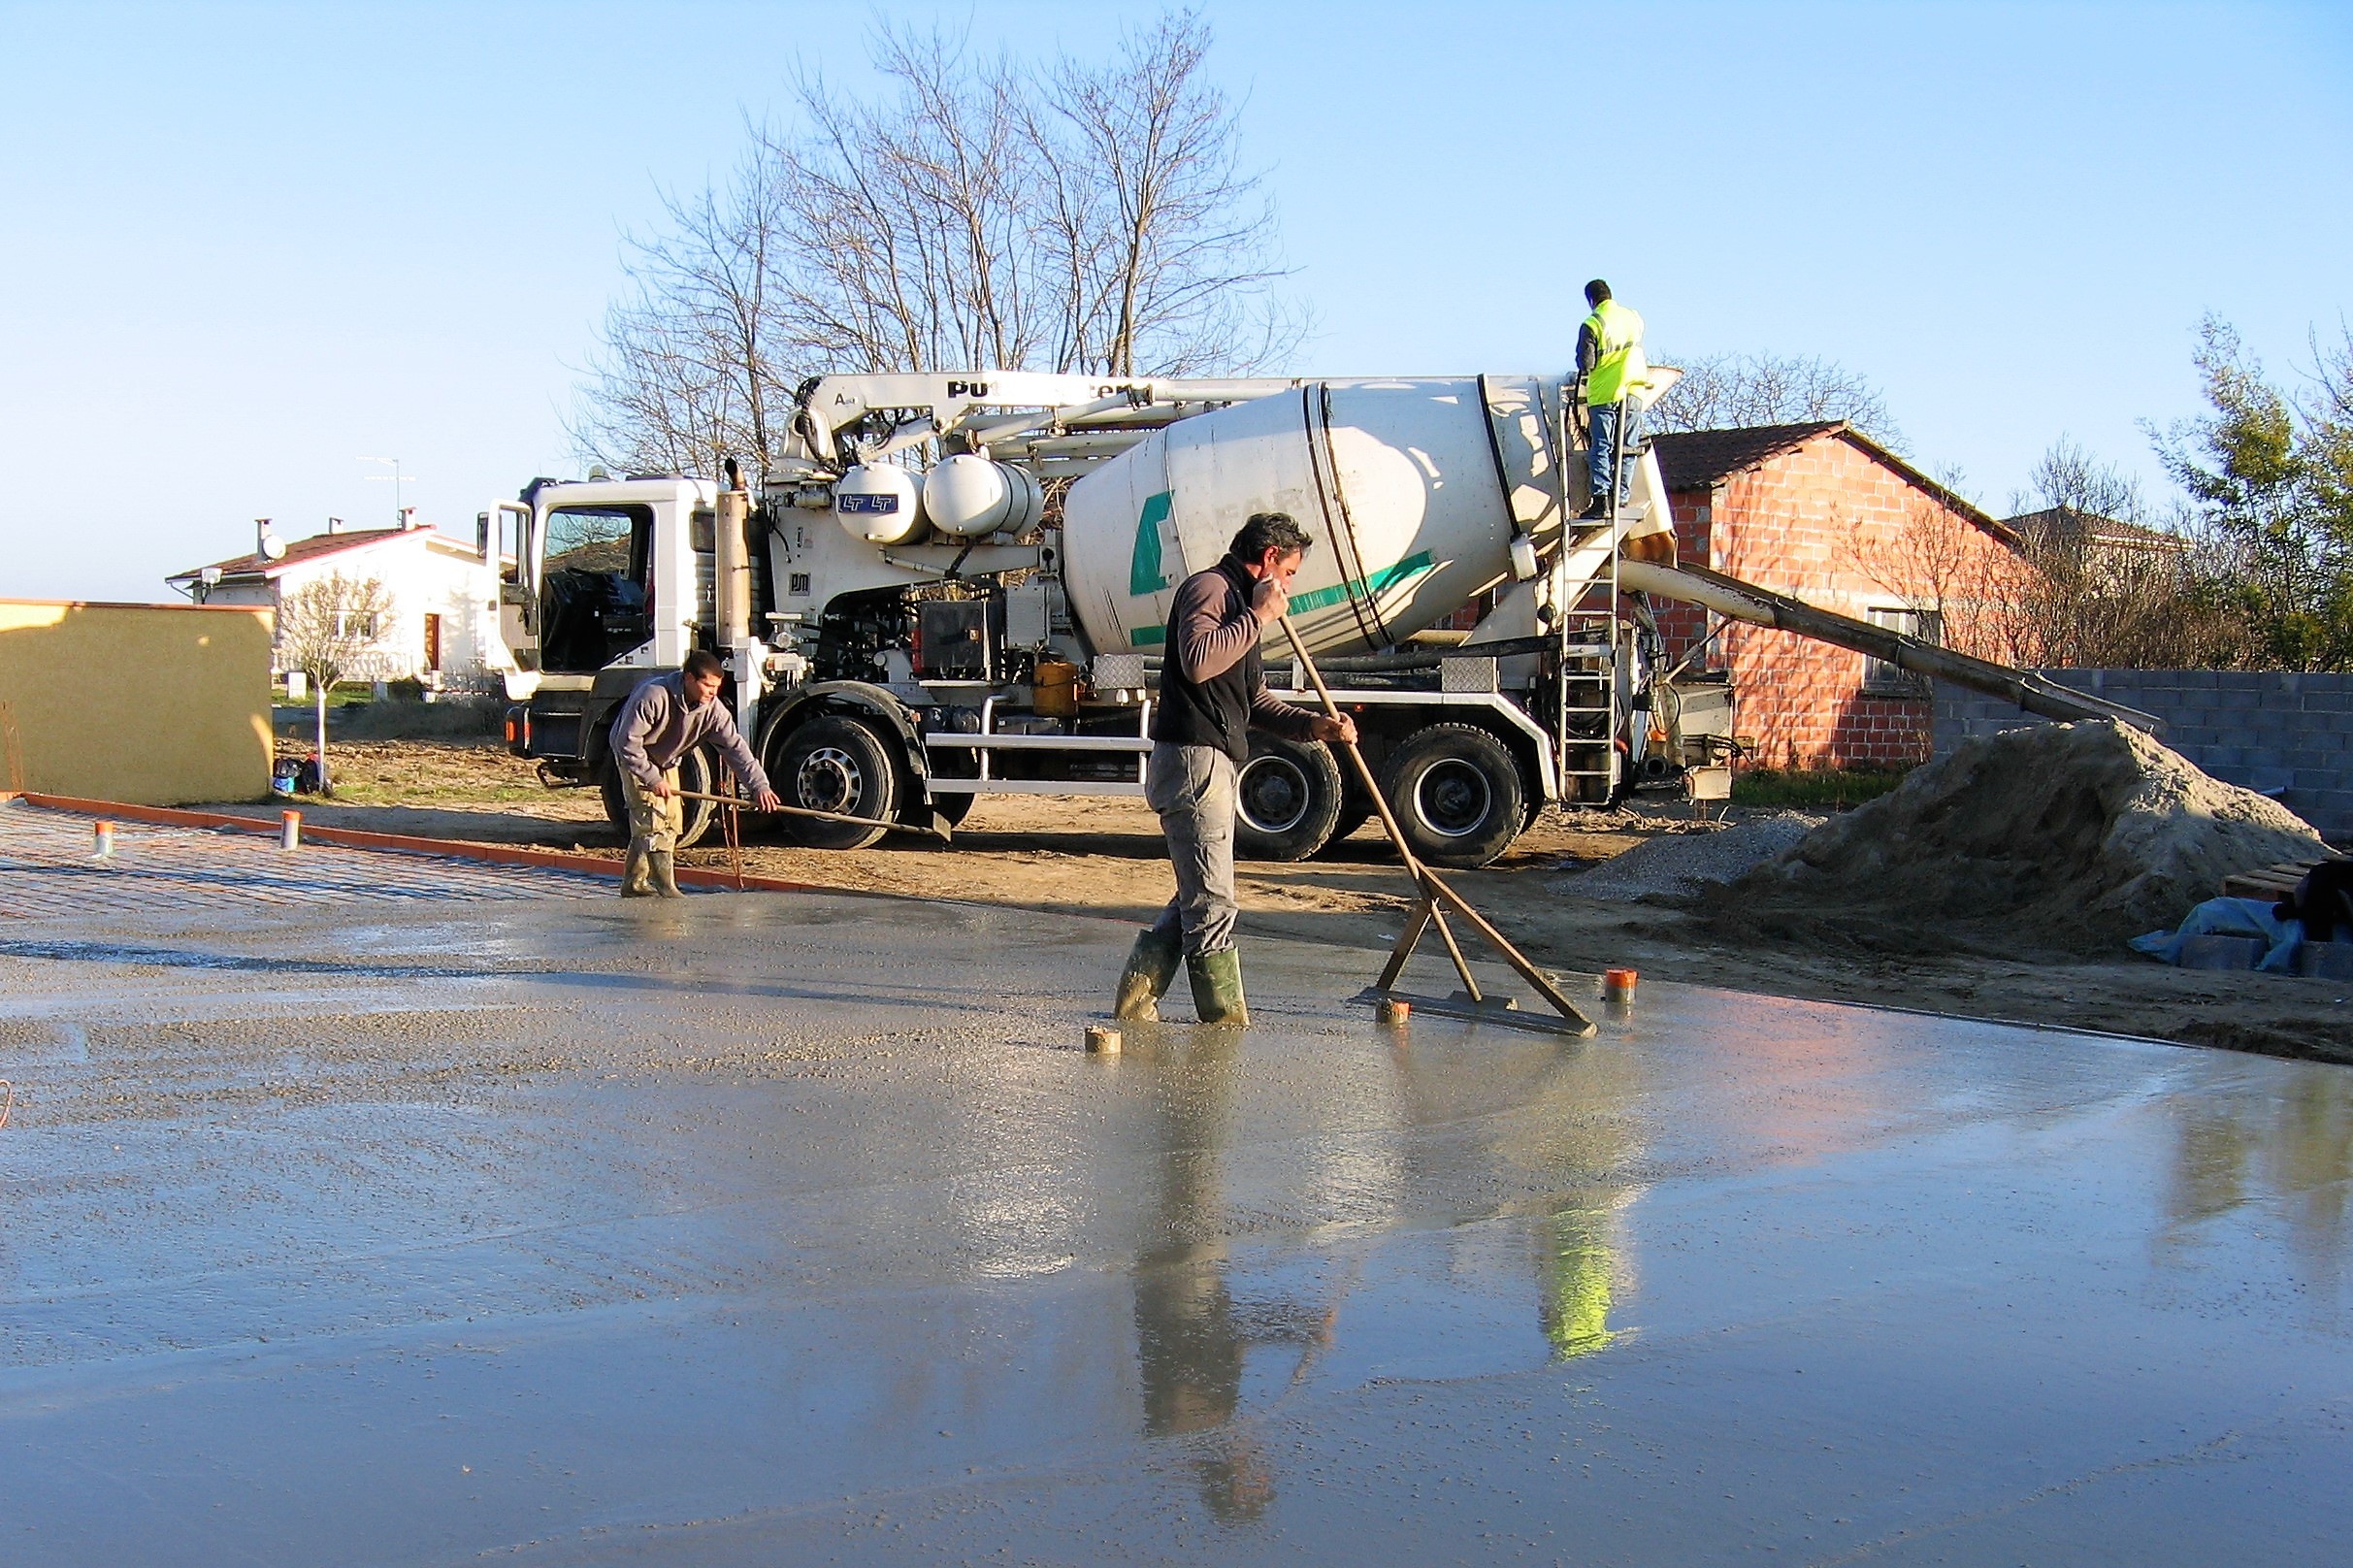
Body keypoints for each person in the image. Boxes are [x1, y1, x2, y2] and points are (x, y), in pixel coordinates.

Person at [1113, 512, 1357, 1025]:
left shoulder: (1243, 606)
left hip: (1213, 761)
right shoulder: (1211, 590)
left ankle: (1135, 1005)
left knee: (1199, 894)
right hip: (1192, 762)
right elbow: (1198, 659)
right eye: (1290, 572)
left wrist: (1316, 726)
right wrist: (1259, 618)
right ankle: (1222, 1026)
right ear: (1270, 559)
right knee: (1213, 900)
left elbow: (1254, 701)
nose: (1289, 585)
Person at [608, 649, 782, 898]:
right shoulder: (653, 696)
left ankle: (633, 883)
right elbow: (627, 743)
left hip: (666, 759)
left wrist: (759, 786)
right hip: (635, 755)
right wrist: (652, 778)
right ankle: (665, 886)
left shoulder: (714, 710)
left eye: (716, 687)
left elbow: (736, 750)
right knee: (653, 817)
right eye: (707, 685)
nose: (713, 692)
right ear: (689, 678)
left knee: (671, 819)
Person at [1576, 278, 1649, 520]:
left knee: (1602, 447)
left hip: (1606, 392)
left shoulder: (1593, 322)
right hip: (1634, 389)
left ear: (1591, 300)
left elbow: (1586, 363)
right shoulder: (1633, 317)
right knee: (1627, 447)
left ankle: (1601, 501)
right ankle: (1621, 498)